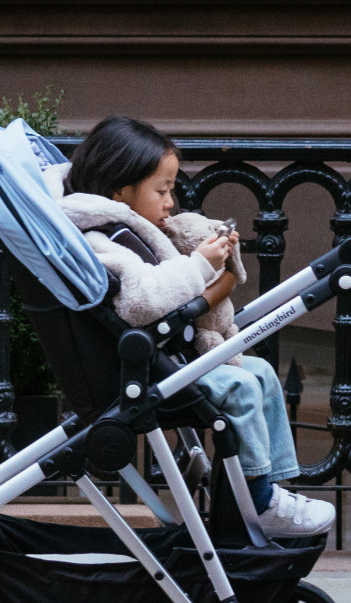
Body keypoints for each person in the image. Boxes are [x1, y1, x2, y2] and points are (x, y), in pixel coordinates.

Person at [44, 114, 334, 538]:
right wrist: (200, 265)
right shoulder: (99, 239)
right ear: (119, 190)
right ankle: (258, 502)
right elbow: (141, 301)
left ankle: (270, 485)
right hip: (143, 375)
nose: (170, 201)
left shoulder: (125, 228)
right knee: (240, 388)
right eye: (162, 190)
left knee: (261, 373)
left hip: (169, 358)